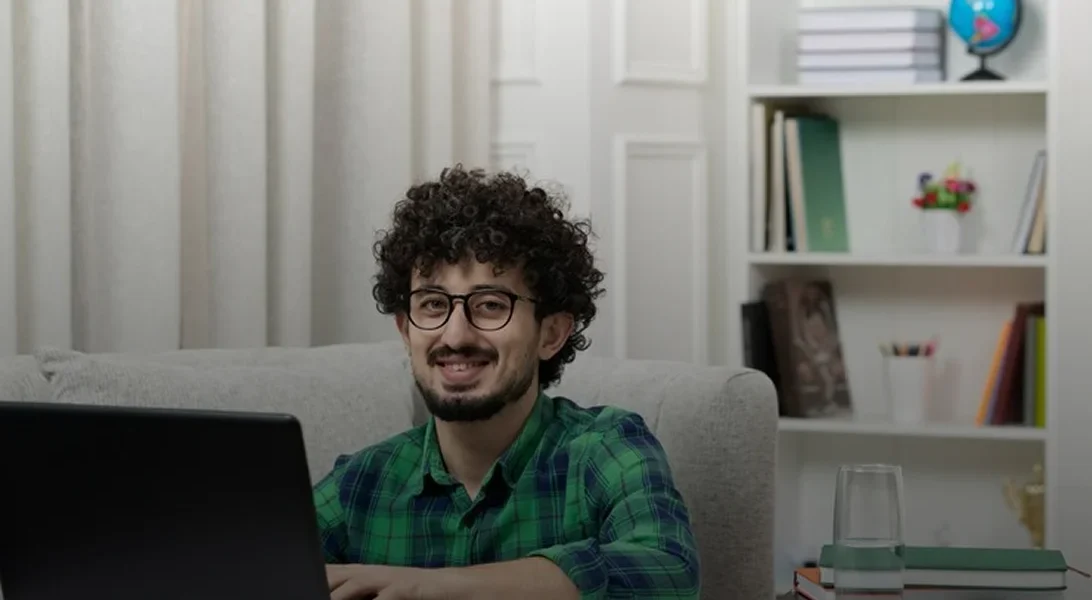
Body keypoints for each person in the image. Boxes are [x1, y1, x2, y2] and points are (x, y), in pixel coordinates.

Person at [312, 166, 701, 599]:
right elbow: (260, 568)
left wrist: (433, 587)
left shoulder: (607, 449)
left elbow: (669, 573)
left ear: (551, 334)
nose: (455, 336)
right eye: (433, 304)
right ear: (406, 331)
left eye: (491, 305)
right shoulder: (360, 484)